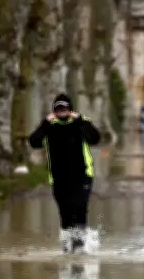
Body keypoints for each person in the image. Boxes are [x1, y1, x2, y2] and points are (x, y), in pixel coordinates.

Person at [28, 93, 101, 253]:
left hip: (83, 175)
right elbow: (34, 142)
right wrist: (45, 122)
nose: (62, 111)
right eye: (58, 109)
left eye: (65, 108)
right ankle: (68, 248)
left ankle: (80, 247)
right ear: (54, 111)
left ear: (71, 110)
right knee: (65, 213)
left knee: (79, 209)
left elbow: (95, 138)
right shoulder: (50, 127)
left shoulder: (80, 123)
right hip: (59, 179)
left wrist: (79, 119)